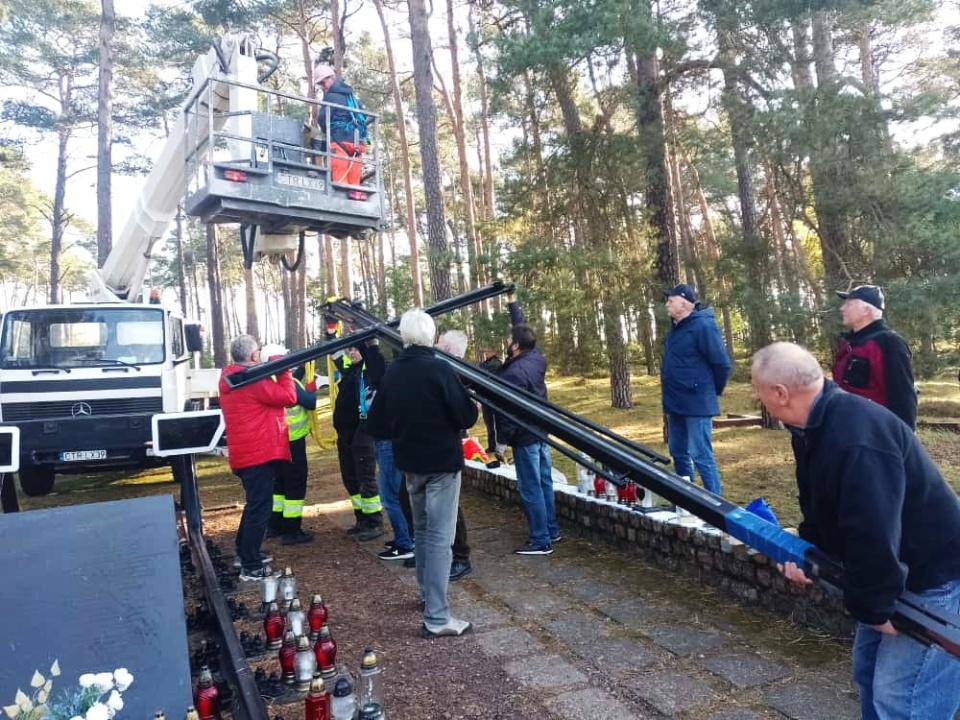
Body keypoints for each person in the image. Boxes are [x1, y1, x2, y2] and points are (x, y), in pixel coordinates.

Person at [750, 342, 960, 720]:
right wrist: (810, 554)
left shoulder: (854, 437)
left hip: (936, 579)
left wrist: (874, 607)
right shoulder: (813, 425)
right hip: (893, 572)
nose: (758, 399)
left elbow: (873, 530)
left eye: (759, 391)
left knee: (902, 701)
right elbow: (825, 506)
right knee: (868, 674)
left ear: (780, 393)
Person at [367, 309, 478, 638]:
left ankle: (427, 596)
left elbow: (376, 423)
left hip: (410, 463)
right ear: (431, 336)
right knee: (441, 539)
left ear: (403, 336)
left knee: (423, 532)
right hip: (442, 464)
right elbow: (466, 415)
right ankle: (437, 617)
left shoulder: (393, 373)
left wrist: (406, 426)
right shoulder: (440, 370)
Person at [219, 335, 297, 581]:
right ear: (253, 356)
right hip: (257, 455)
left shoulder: (233, 378)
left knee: (255, 506)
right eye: (259, 353)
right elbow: (288, 397)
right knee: (259, 509)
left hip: (247, 453)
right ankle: (251, 566)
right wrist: (282, 370)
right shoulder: (250, 381)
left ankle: (246, 553)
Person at [495, 293, 559, 555]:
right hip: (541, 431)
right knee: (544, 482)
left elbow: (510, 414)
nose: (509, 343)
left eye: (511, 342)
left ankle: (540, 539)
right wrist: (512, 304)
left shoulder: (513, 373)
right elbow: (522, 331)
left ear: (515, 348)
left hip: (525, 437)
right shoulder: (536, 358)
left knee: (531, 487)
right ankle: (551, 530)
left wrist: (501, 442)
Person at [660, 283, 731, 495]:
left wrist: (708, 391)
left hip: (697, 403)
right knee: (678, 452)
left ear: (683, 303)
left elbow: (722, 364)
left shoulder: (703, 326)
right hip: (676, 403)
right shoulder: (676, 329)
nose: (667, 304)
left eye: (670, 301)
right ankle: (686, 501)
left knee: (701, 454)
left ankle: (717, 507)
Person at [833, 284, 917, 429]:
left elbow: (903, 396)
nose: (842, 308)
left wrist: (905, 440)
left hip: (876, 435)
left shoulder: (889, 343)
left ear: (866, 310)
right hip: (850, 434)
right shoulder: (850, 344)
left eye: (849, 304)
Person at [332, 340, 386, 541]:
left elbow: (377, 365)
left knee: (365, 477)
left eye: (356, 349)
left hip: (363, 431)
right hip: (345, 434)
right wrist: (330, 331)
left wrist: (370, 344)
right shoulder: (350, 370)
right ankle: (361, 518)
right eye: (350, 349)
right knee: (351, 478)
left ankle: (374, 521)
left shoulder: (370, 370)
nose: (352, 353)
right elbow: (335, 353)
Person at [267, 358, 318, 546]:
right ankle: (292, 530)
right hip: (293, 444)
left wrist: (303, 370)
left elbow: (291, 381)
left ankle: (275, 525)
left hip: (276, 444)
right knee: (295, 486)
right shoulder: (292, 385)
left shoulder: (268, 381)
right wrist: (311, 390)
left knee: (278, 486)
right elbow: (309, 402)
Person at [313, 62, 370, 201]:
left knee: (340, 178)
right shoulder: (350, 96)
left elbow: (322, 119)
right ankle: (355, 205)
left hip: (340, 142)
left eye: (323, 82)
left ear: (331, 78)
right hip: (357, 143)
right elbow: (363, 114)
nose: (322, 87)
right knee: (354, 181)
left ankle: (342, 205)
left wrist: (328, 132)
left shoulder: (331, 96)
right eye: (320, 84)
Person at [478, 346, 503, 454]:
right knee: (489, 423)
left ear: (493, 351)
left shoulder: (496, 363)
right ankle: (492, 445)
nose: (486, 352)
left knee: (497, 422)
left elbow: (483, 373)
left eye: (488, 350)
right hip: (486, 397)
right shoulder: (485, 363)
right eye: (485, 350)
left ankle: (498, 445)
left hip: (494, 397)